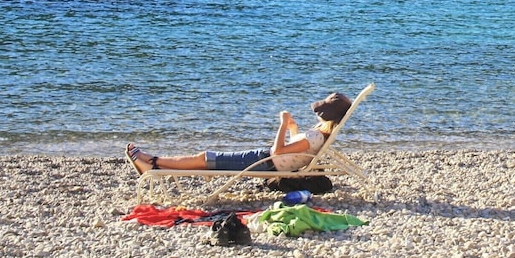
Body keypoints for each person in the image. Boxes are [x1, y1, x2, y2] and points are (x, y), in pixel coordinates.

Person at [126, 92, 352, 174]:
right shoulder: (319, 136)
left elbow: (279, 150)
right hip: (266, 161)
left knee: (206, 159)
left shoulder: (315, 136)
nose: (316, 114)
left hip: (263, 161)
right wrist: (294, 129)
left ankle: (152, 163)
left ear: (327, 116)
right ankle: (153, 165)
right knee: (206, 160)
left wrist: (283, 125)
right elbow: (295, 151)